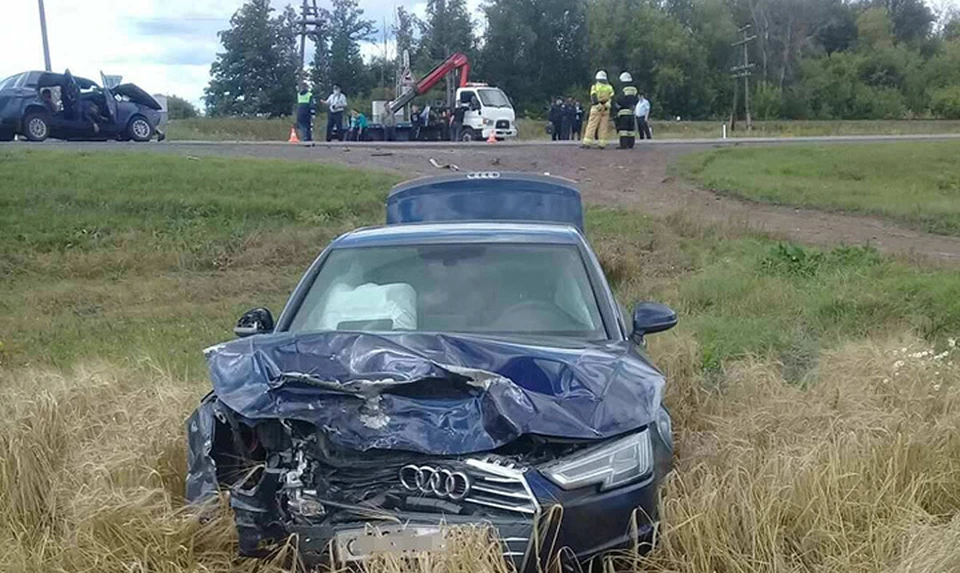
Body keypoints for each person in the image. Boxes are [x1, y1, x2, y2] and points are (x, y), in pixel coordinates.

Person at [582, 71, 615, 149]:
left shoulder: (595, 86)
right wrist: (608, 103)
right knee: (603, 126)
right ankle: (602, 143)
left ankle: (587, 143)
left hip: (596, 107)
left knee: (592, 125)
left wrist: (597, 104)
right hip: (606, 107)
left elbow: (593, 96)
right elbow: (612, 97)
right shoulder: (609, 87)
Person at [615, 72, 640, 149]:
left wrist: (617, 106)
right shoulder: (634, 88)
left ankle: (623, 145)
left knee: (623, 130)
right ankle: (631, 144)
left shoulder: (622, 88)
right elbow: (637, 99)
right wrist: (632, 106)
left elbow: (620, 99)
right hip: (632, 112)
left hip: (623, 111)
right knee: (631, 130)